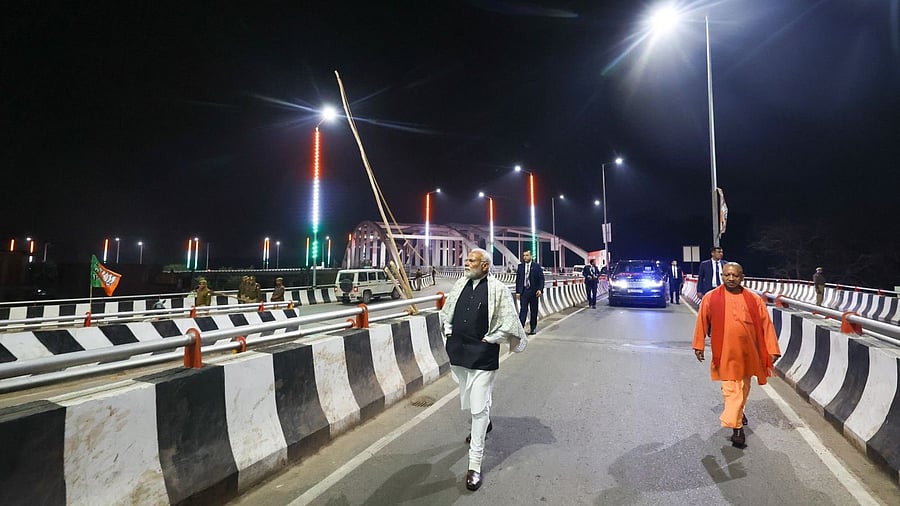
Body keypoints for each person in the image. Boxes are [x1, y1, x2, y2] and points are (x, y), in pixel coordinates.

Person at [439, 248, 528, 491]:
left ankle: (474, 466)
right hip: (458, 352)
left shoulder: (498, 289)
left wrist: (492, 339)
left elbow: (510, 320)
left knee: (477, 408)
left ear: (485, 265)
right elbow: (447, 312)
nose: (466, 263)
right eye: (466, 259)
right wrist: (448, 332)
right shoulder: (459, 284)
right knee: (471, 396)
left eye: (471, 260)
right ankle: (485, 419)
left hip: (483, 354)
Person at [692, 262, 781, 448]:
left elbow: (766, 324)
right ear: (722, 276)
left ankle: (738, 413)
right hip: (724, 352)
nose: (731, 279)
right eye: (727, 275)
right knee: (731, 388)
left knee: (744, 386)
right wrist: (698, 345)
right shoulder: (711, 297)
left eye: (735, 275)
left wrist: (772, 349)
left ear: (742, 277)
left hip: (749, 352)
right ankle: (737, 428)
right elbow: (702, 321)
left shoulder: (753, 299)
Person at [515, 250, 544, 335]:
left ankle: (533, 328)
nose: (525, 257)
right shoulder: (520, 267)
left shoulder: (536, 266)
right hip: (524, 292)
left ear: (531, 256)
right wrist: (518, 292)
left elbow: (541, 279)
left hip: (534, 292)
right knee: (523, 310)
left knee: (533, 311)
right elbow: (518, 280)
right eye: (524, 255)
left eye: (527, 255)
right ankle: (520, 329)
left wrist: (540, 289)